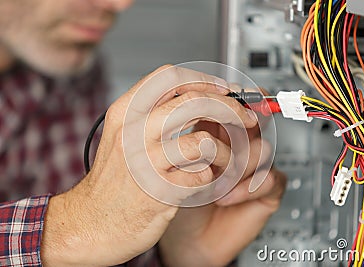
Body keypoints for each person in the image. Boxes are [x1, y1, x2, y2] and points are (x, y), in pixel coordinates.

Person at [0, 0, 287, 266]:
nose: (121, 4)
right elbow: (91, 231)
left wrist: (179, 255)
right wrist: (70, 230)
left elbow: (105, 242)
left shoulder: (67, 71)